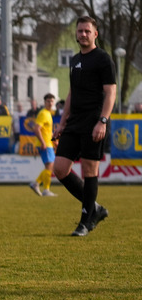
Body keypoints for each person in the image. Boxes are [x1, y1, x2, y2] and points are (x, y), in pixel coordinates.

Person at [53, 16, 116, 237]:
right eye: (80, 31)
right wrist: (62, 122)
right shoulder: (74, 60)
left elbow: (110, 93)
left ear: (95, 34)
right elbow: (71, 93)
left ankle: (84, 221)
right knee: (59, 169)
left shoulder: (103, 59)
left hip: (94, 122)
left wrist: (103, 121)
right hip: (73, 123)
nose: (83, 35)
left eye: (87, 31)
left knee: (90, 171)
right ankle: (95, 208)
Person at [28, 93, 59, 197]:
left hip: (48, 143)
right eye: (48, 101)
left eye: (51, 101)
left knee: (50, 166)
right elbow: (37, 129)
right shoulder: (43, 113)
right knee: (50, 166)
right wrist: (43, 142)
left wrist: (55, 141)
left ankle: (39, 185)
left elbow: (48, 131)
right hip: (45, 144)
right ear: (44, 102)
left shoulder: (48, 114)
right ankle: (43, 188)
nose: (50, 103)